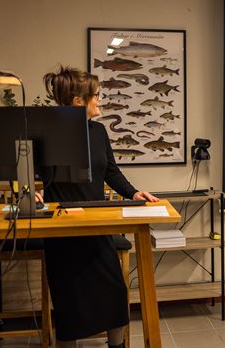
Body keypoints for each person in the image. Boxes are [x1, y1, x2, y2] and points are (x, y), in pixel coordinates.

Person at [40, 66, 158, 348]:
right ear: (78, 101)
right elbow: (29, 170)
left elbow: (111, 171)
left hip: (97, 223)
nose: (101, 100)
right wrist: (29, 192)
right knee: (69, 299)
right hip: (62, 228)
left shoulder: (99, 131)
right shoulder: (47, 131)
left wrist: (133, 193)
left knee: (115, 291)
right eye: (96, 95)